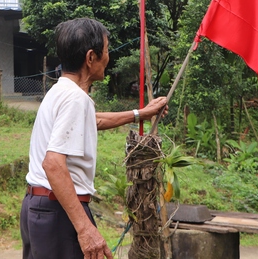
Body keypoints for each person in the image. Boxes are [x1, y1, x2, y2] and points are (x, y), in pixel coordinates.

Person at [20, 18, 168, 259]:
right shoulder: (75, 99)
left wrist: (142, 113)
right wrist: (85, 229)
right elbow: (53, 164)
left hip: (38, 208)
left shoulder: (59, 92)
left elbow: (93, 121)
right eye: (106, 51)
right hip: (58, 212)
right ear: (91, 58)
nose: (108, 58)